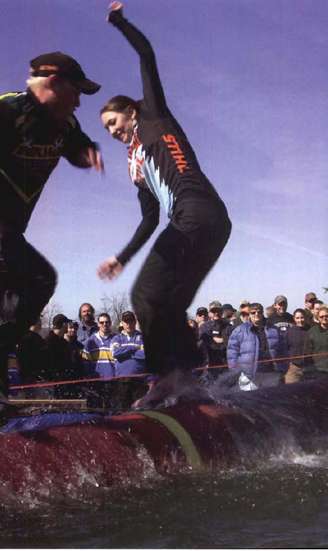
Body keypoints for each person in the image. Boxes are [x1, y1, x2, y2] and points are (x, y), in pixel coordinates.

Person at [0, 51, 103, 433]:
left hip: (11, 231)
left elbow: (76, 144)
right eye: (76, 91)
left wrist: (87, 153)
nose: (79, 101)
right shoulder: (3, 113)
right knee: (40, 279)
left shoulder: (65, 124)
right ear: (51, 83)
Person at [97, 3, 231, 407]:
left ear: (131, 111)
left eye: (114, 123)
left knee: (143, 296)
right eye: (107, 130)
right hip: (214, 224)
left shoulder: (153, 115)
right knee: (172, 302)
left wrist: (120, 22)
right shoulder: (135, 166)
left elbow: (147, 55)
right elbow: (149, 220)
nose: (113, 132)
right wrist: (122, 258)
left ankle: (165, 376)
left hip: (198, 210)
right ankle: (187, 375)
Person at [227, 303, 289, 391]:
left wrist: (284, 367)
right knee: (249, 402)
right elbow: (232, 351)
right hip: (249, 375)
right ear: (249, 315)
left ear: (262, 313)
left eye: (259, 312)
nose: (256, 314)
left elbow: (284, 349)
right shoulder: (239, 330)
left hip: (271, 373)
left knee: (271, 402)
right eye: (253, 313)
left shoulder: (274, 329)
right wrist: (236, 370)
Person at [110, 311, 146, 409]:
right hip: (122, 381)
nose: (128, 324)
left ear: (135, 322)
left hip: (139, 381)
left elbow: (145, 355)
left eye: (130, 321)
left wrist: (125, 354)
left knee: (140, 411)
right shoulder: (116, 338)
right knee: (120, 410)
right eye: (126, 322)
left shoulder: (143, 337)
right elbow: (115, 353)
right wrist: (134, 348)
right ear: (122, 323)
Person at [82, 312, 116, 407]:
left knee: (112, 411)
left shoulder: (116, 339)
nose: (104, 324)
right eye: (102, 322)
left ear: (110, 323)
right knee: (94, 410)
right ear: (98, 324)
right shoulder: (90, 341)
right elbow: (86, 363)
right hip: (95, 382)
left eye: (107, 322)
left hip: (112, 381)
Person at [44, 314, 77, 398]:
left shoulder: (64, 342)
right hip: (53, 383)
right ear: (64, 324)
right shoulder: (49, 342)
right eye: (68, 323)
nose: (69, 326)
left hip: (66, 382)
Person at [17, 314, 49, 398]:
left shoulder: (28, 337)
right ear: (36, 320)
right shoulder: (30, 339)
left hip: (31, 379)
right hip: (33, 380)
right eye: (40, 319)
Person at [199, 301, 233, 377]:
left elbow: (233, 342)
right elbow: (206, 344)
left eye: (218, 311)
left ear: (222, 312)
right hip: (211, 366)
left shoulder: (229, 327)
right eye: (213, 311)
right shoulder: (204, 327)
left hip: (227, 365)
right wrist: (215, 341)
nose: (216, 313)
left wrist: (222, 340)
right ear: (209, 313)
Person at [303, 305, 328, 379]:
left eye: (326, 316)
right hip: (319, 370)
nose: (324, 318)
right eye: (321, 316)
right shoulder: (311, 332)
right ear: (318, 318)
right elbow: (307, 353)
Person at [284, 309, 309, 384]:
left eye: (302, 318)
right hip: (293, 368)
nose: (300, 320)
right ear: (294, 319)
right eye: (297, 318)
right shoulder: (288, 333)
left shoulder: (310, 331)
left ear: (305, 318)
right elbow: (284, 349)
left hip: (309, 367)